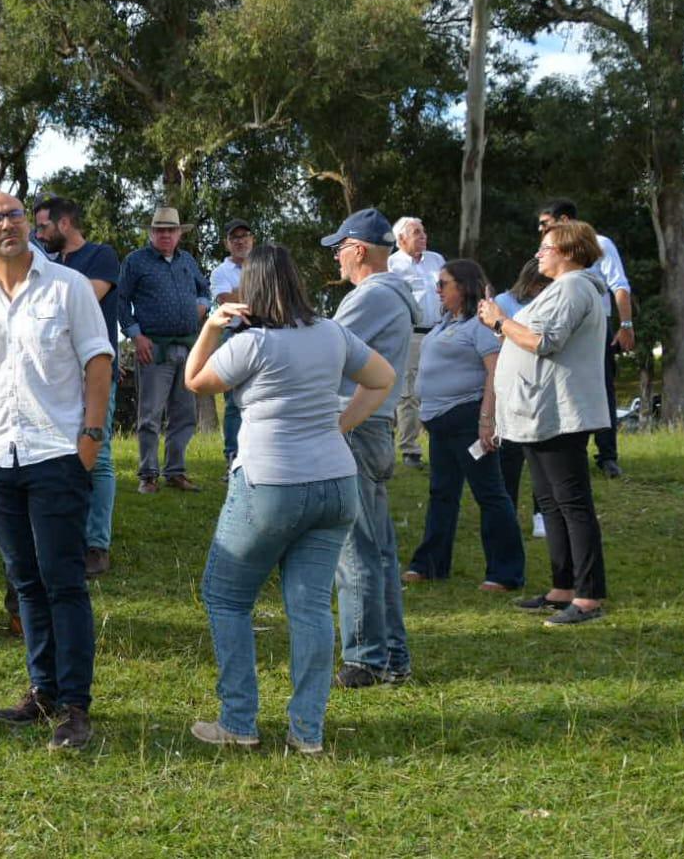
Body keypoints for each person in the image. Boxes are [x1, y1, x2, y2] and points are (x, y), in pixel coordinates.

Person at [183, 245, 395, 754]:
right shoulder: (332, 333)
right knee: (311, 607)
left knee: (225, 597)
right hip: (336, 482)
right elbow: (383, 378)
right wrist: (340, 425)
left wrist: (211, 326)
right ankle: (307, 733)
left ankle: (239, 722)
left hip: (269, 484)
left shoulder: (251, 344)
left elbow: (195, 381)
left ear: (251, 291)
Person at [0, 192, 113, 752]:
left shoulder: (68, 287)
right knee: (25, 579)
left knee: (62, 580)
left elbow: (99, 361)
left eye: (15, 215)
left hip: (56, 456)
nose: (7, 224)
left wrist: (89, 439)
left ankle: (74, 705)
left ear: (28, 224)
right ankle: (42, 689)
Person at [478, 221, 612, 626]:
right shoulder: (562, 288)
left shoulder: (573, 288)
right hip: (541, 412)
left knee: (572, 503)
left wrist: (499, 321)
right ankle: (563, 587)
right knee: (552, 503)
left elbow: (545, 341)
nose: (538, 254)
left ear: (569, 252)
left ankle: (588, 596)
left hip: (560, 413)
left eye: (546, 248)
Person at [321, 209, 420, 689]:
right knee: (379, 549)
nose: (336, 258)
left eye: (340, 248)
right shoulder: (393, 296)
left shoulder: (371, 296)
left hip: (355, 427)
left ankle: (366, 659)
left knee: (355, 547)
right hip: (376, 426)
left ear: (359, 250)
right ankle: (392, 658)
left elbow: (326, 349)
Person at [400, 260, 526, 591]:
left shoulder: (479, 326)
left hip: (467, 420)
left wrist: (487, 420)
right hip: (441, 424)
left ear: (464, 287)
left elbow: (494, 372)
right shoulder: (445, 323)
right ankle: (430, 564)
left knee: (490, 493)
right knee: (442, 493)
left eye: (444, 284)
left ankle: (505, 573)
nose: (437, 290)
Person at [35, 195, 121, 577]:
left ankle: (97, 545)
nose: (39, 235)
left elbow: (82, 298)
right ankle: (67, 536)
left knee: (97, 457)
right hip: (56, 376)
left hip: (94, 374)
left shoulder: (102, 256)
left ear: (65, 224)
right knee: (58, 455)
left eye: (43, 227)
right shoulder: (46, 262)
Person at [536, 200, 634, 479]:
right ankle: (560, 448)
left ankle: (607, 455)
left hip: (594, 326)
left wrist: (626, 324)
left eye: (545, 223)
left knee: (602, 387)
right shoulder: (548, 251)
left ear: (565, 220)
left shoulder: (599, 244)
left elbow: (619, 285)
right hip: (561, 326)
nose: (541, 230)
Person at [118, 207, 210, 494]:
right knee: (150, 415)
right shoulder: (136, 261)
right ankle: (148, 475)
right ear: (151, 233)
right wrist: (136, 336)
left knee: (185, 414)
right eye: (160, 230)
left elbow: (204, 289)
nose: (166, 235)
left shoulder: (187, 260)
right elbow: (121, 300)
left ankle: (175, 472)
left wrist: (202, 306)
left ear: (179, 233)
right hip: (154, 347)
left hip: (187, 346)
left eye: (171, 230)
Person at [493, 259, 552, 539]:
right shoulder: (503, 302)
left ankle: (542, 514)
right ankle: (508, 514)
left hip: (542, 385)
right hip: (513, 386)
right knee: (510, 456)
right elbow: (498, 340)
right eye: (541, 286)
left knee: (542, 456)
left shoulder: (552, 303)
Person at [389, 216, 446, 469]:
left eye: (423, 231)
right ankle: (410, 449)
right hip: (410, 334)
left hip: (439, 331)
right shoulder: (392, 264)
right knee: (409, 392)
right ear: (401, 239)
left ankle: (441, 443)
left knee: (439, 387)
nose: (423, 236)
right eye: (416, 232)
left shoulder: (437, 260)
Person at [208, 219, 254, 471]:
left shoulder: (263, 265)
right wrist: (258, 291)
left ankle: (257, 456)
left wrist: (241, 291)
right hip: (234, 334)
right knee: (234, 401)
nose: (240, 241)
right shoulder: (219, 272)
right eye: (234, 237)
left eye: (244, 236)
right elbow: (227, 302)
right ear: (227, 243)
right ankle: (233, 459)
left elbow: (276, 296)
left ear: (252, 239)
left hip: (265, 332)